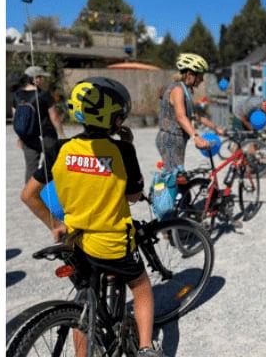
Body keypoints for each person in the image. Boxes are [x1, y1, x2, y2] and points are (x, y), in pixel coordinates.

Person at [20, 77, 164, 357]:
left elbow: (28, 195)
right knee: (142, 286)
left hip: (75, 242)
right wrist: (127, 144)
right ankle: (146, 348)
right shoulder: (122, 150)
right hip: (113, 243)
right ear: (115, 119)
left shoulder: (59, 149)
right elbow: (134, 196)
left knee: (84, 303)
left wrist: (56, 224)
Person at [156, 53, 221, 171]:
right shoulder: (178, 89)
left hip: (177, 139)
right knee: (174, 178)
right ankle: (159, 189)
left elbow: (195, 116)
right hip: (170, 139)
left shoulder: (185, 91)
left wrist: (216, 128)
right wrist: (196, 137)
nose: (202, 80)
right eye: (200, 76)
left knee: (177, 175)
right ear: (190, 74)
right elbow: (181, 117)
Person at [13, 65, 66, 183]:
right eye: (42, 77)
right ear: (35, 78)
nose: (44, 80)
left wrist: (20, 137)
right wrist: (62, 134)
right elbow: (54, 117)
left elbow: (16, 118)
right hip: (47, 135)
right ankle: (47, 192)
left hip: (28, 137)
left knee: (31, 167)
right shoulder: (44, 95)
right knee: (50, 165)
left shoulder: (17, 95)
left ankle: (30, 193)